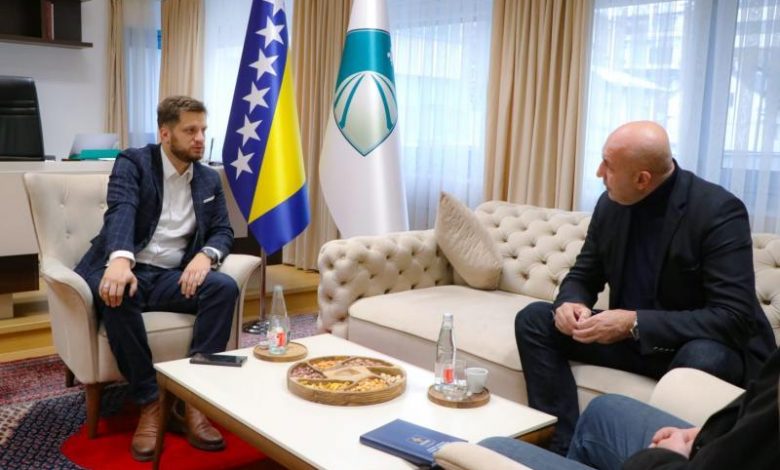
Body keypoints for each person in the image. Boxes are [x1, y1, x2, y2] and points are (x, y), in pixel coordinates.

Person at [514, 121, 775, 455]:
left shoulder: (717, 211)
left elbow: (733, 317)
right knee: (535, 320)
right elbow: (583, 274)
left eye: (608, 165)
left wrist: (634, 322)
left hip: (697, 345)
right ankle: (561, 450)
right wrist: (571, 303)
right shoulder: (610, 204)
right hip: (633, 340)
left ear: (642, 179)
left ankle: (670, 459)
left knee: (703, 356)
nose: (598, 172)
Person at [74, 96, 239, 462]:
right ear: (165, 134)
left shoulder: (208, 178)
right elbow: (122, 210)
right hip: (130, 267)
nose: (200, 138)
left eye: (203, 130)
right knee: (116, 291)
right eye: (190, 130)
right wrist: (120, 260)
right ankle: (150, 402)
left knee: (223, 288)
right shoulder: (134, 163)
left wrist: (206, 255)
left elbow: (223, 231)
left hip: (170, 277)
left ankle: (194, 398)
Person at [478, 344, 780, 469]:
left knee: (490, 449)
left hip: (671, 341)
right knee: (604, 411)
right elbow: (758, 397)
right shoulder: (611, 222)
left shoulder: (718, 223)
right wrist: (707, 431)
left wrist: (668, 456)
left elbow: (728, 315)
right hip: (724, 440)